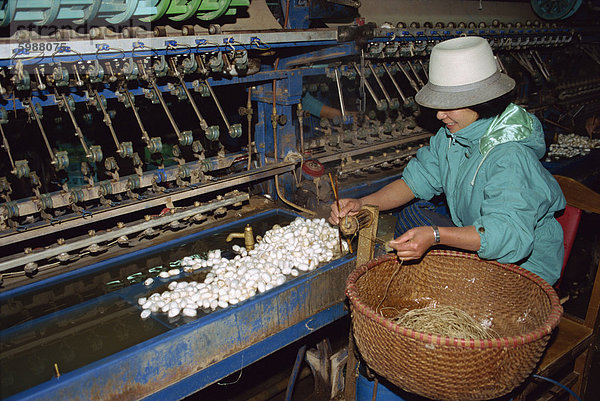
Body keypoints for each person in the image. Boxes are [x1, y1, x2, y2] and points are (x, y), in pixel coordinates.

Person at [329, 36, 566, 285]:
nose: (440, 115)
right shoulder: (451, 137)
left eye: (450, 106)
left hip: (522, 271)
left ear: (481, 101)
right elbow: (416, 181)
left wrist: (435, 235)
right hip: (481, 248)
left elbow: (504, 236)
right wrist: (363, 203)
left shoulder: (509, 155)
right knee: (412, 215)